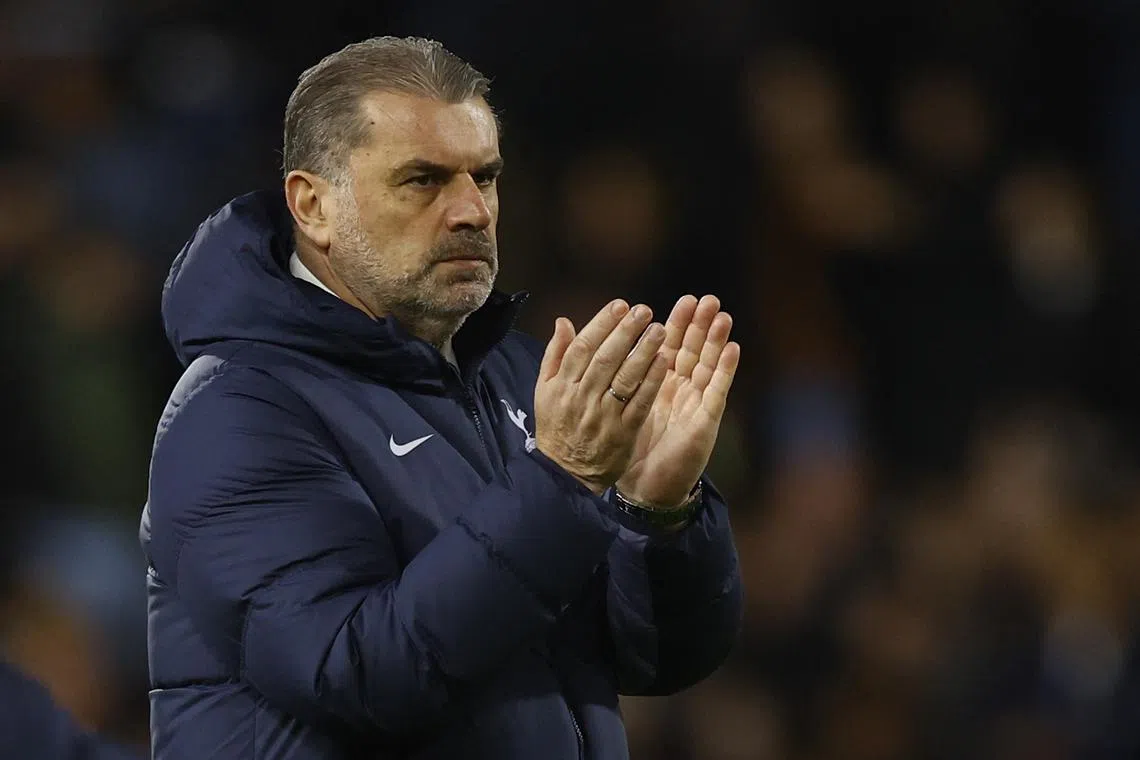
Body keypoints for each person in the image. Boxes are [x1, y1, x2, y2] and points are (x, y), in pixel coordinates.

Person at [142, 36, 743, 759]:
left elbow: (655, 660)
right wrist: (561, 482)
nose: (471, 211)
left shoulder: (520, 378)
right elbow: (356, 671)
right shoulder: (238, 413)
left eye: (484, 178)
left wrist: (655, 513)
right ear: (313, 205)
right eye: (423, 180)